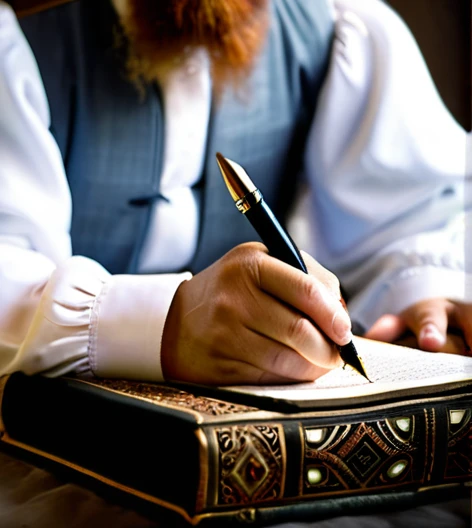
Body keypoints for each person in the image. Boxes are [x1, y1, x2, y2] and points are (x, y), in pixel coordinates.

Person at [0, 0, 470, 388]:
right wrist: (167, 325)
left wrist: (424, 288)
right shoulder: (21, 35)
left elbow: (412, 212)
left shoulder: (330, 26)